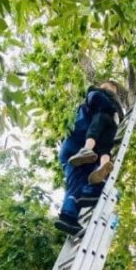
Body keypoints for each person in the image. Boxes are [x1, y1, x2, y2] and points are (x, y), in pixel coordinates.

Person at [55, 80, 125, 235]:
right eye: (110, 88)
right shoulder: (96, 96)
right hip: (78, 145)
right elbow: (97, 100)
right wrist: (115, 112)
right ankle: (88, 190)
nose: (112, 91)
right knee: (82, 178)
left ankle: (69, 215)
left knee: (78, 185)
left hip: (78, 153)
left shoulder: (99, 108)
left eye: (113, 90)